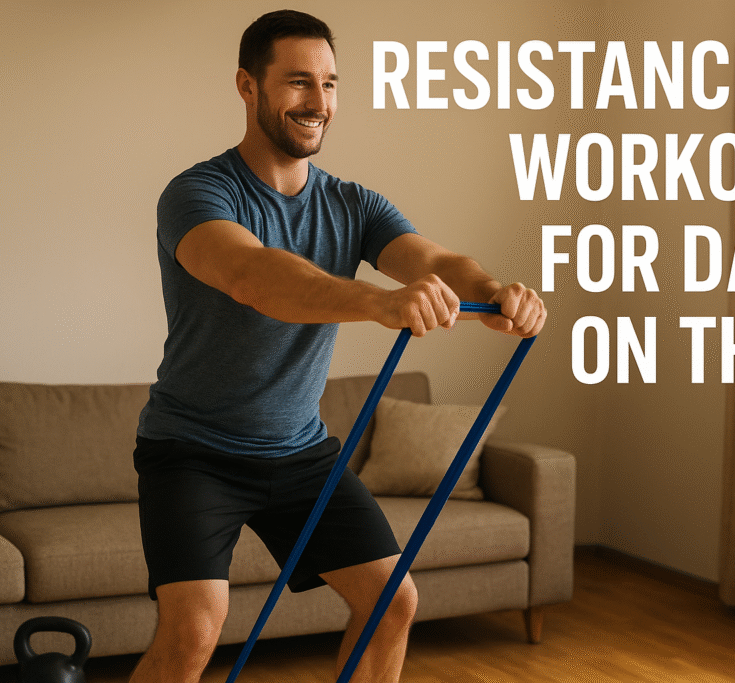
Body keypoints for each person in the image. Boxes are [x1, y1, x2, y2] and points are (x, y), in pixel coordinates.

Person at [130, 9, 545, 683]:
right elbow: (252, 276)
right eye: (298, 82)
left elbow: (433, 259)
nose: (318, 103)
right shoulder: (198, 193)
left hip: (299, 453)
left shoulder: (353, 205)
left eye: (329, 84)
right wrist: (378, 302)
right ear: (247, 86)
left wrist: (499, 295)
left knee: (392, 602)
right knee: (194, 630)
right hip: (194, 453)